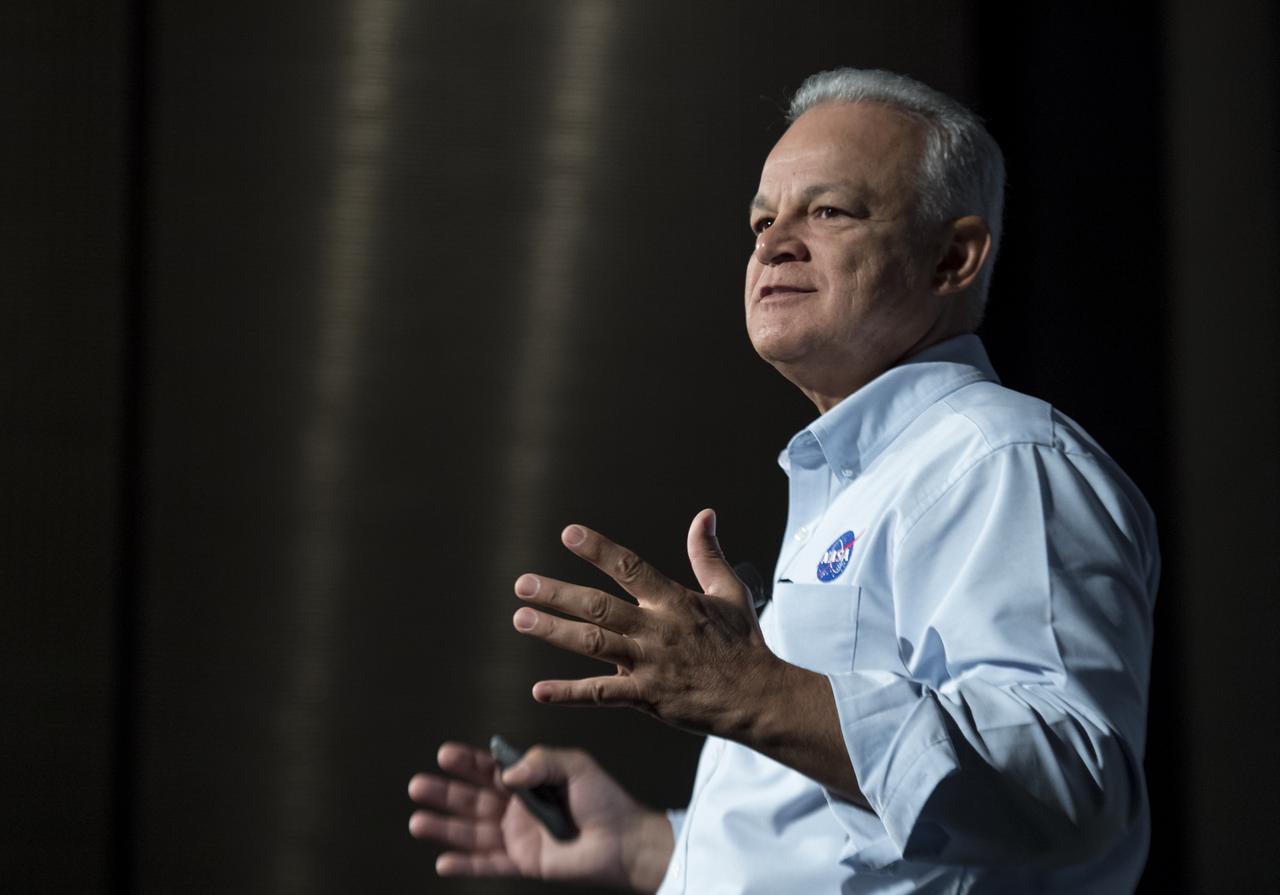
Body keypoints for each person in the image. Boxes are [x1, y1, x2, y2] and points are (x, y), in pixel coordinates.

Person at [407, 68, 1159, 893]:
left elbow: (1075, 789)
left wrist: (755, 690)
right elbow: (855, 837)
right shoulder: (868, 479)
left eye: (827, 211)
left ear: (954, 255)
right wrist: (652, 846)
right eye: (763, 219)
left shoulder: (1003, 461)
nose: (772, 242)